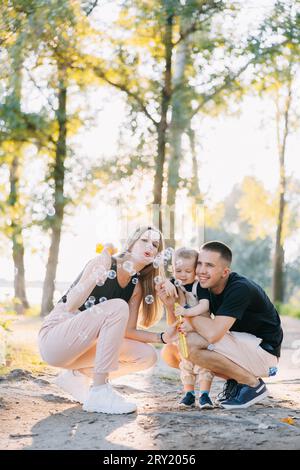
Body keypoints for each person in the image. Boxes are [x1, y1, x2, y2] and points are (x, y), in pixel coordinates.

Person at [38, 226, 177, 415]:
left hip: (82, 346)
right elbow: (71, 304)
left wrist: (162, 337)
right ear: (131, 243)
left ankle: (76, 377)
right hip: (56, 338)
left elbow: (128, 331)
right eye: (144, 240)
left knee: (147, 355)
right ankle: (99, 392)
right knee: (118, 306)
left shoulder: (135, 286)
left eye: (155, 245)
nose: (150, 247)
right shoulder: (103, 261)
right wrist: (96, 275)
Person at [158, 241, 283, 410]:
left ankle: (252, 385)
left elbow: (213, 334)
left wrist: (184, 309)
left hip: (263, 352)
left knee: (190, 343)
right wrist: (171, 303)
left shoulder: (239, 288)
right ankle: (237, 381)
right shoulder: (204, 287)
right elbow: (176, 329)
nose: (202, 270)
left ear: (225, 272)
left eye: (209, 265)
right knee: (173, 350)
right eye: (200, 264)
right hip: (242, 346)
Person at [162, 248, 215, 409]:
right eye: (178, 270)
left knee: (204, 362)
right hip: (184, 332)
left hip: (201, 331)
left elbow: (204, 305)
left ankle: (205, 395)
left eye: (187, 271)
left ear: (195, 271)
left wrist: (187, 312)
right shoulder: (174, 283)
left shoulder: (200, 287)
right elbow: (159, 281)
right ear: (173, 269)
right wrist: (166, 283)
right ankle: (189, 394)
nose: (182, 275)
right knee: (186, 362)